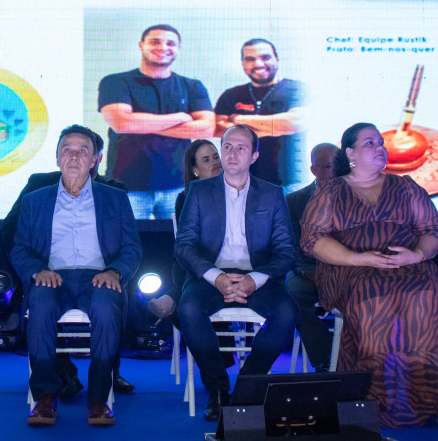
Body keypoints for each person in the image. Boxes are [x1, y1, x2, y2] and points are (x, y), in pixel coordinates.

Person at [301, 123, 438, 427]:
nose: (380, 148)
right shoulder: (331, 192)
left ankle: (421, 400)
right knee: (372, 291)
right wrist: (359, 258)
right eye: (370, 143)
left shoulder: (406, 187)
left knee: (426, 285)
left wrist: (416, 255)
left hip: (406, 264)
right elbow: (314, 241)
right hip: (349, 268)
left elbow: (432, 231)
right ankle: (371, 403)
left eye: (381, 143)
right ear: (350, 153)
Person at [11, 125, 142, 427]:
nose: (73, 156)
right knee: (41, 305)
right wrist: (37, 271)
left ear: (94, 159)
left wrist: (115, 272)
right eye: (67, 149)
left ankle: (98, 399)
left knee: (106, 309)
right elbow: (20, 249)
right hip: (52, 278)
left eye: (82, 150)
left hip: (99, 278)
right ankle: (45, 396)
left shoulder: (115, 198)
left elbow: (132, 248)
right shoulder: (35, 200)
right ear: (57, 157)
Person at [175, 124, 298, 422]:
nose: (232, 153)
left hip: (258, 277)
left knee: (287, 312)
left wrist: (254, 280)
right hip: (210, 277)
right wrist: (215, 277)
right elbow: (184, 246)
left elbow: (285, 252)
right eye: (227, 147)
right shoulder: (199, 192)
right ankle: (218, 389)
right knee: (188, 309)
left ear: (254, 156)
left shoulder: (272, 194)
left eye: (241, 148)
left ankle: (248, 386)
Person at [98, 24, 214, 219]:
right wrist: (180, 117)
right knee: (128, 239)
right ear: (141, 45)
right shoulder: (116, 82)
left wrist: (140, 124)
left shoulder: (192, 86)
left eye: (170, 43)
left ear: (178, 48)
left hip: (178, 187)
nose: (162, 47)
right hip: (127, 185)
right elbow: (121, 123)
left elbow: (206, 129)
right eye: (155, 42)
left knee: (178, 239)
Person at [214, 39, 305, 188]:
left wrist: (239, 119)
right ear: (243, 63)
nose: (258, 64)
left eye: (265, 57)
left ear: (277, 59)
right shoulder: (231, 95)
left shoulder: (298, 88)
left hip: (289, 184)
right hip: (240, 185)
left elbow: (296, 122)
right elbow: (219, 129)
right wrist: (275, 127)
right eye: (250, 59)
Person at [147, 139, 221, 321]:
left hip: (226, 261)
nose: (214, 163)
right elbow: (187, 241)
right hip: (196, 260)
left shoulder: (235, 191)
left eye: (216, 157)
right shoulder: (185, 198)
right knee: (189, 260)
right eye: (206, 160)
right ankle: (173, 300)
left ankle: (170, 299)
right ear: (195, 170)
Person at [284, 142, 341, 372]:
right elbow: (292, 247)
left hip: (346, 271)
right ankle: (326, 361)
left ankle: (363, 361)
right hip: (306, 271)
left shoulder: (356, 197)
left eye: (338, 165)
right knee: (292, 296)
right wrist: (312, 273)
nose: (335, 172)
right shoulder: (294, 201)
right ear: (313, 170)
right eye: (328, 167)